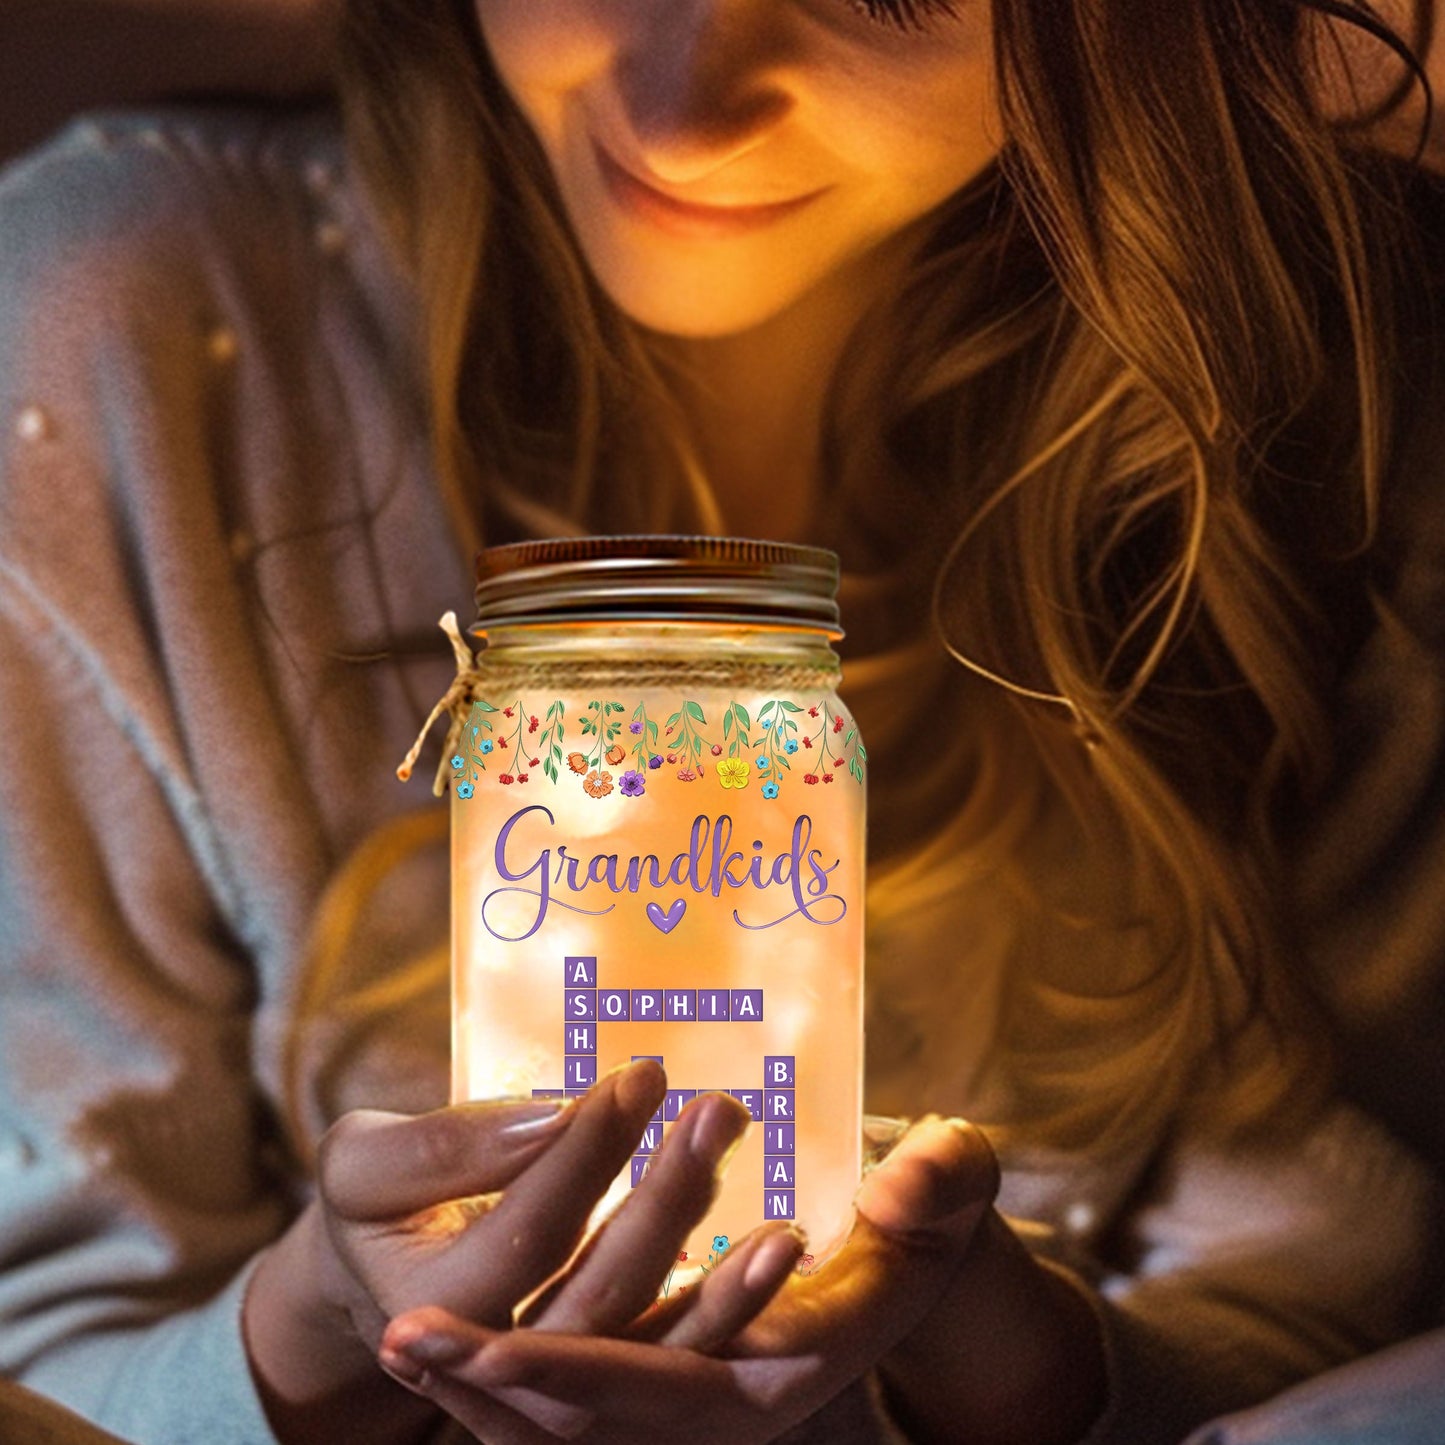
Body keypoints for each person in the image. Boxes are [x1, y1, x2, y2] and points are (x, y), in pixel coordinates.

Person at [2, 2, 1445, 1443]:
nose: (684, 105)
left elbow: (1344, 1301)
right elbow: (38, 1346)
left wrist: (999, 1351)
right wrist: (310, 1330)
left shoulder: (1305, 406)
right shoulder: (122, 337)